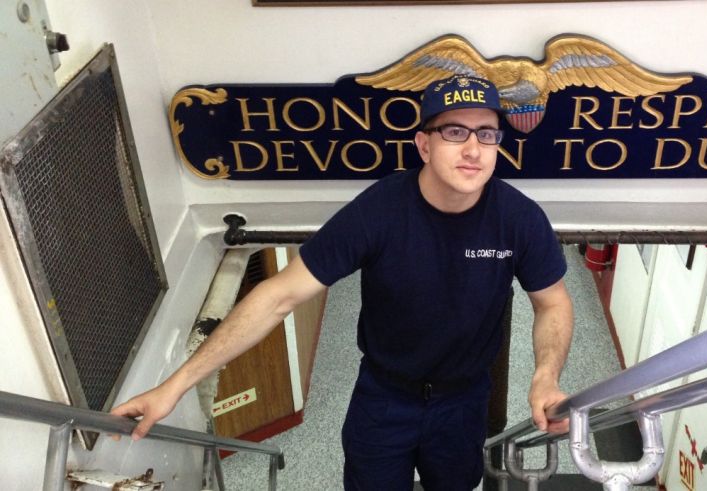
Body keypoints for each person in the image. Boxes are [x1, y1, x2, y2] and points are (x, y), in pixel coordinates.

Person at [111, 74, 574, 490]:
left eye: (486, 134)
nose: (473, 149)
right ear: (424, 145)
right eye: (454, 132)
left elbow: (552, 302)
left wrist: (544, 377)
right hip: (384, 395)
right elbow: (277, 296)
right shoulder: (379, 211)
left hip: (465, 400)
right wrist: (175, 386)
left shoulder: (519, 219)